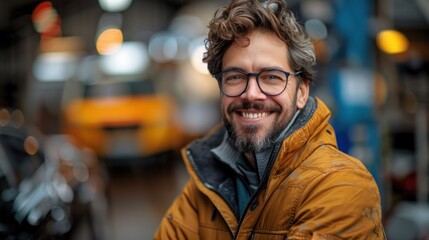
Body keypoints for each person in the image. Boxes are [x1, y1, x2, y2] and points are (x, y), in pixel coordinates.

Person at [154, 0, 385, 239]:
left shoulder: (342, 186)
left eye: (271, 77)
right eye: (235, 77)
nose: (251, 94)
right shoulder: (206, 184)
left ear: (302, 92)